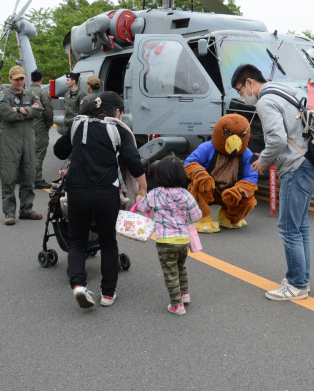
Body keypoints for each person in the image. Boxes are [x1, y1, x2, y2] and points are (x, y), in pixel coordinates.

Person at [230, 64, 314, 301]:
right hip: (309, 162)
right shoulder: (283, 91)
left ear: (249, 82)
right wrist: (269, 155)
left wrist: (263, 162)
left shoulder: (265, 101)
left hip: (295, 167)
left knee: (289, 228)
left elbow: (278, 139)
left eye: (240, 90)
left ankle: (296, 285)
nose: (242, 96)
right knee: (300, 226)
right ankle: (302, 279)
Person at [53, 92, 147, 309]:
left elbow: (59, 151)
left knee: (77, 242)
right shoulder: (118, 129)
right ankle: (107, 294)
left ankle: (79, 285)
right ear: (117, 112)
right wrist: (143, 187)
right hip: (106, 193)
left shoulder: (78, 125)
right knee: (108, 242)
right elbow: (133, 160)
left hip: (77, 192)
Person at [135, 156, 202, 315]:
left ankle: (177, 305)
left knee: (170, 272)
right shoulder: (186, 194)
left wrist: (140, 198)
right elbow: (197, 215)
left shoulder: (155, 193)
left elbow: (141, 207)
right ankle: (184, 294)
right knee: (180, 267)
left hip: (165, 241)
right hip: (183, 240)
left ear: (159, 175)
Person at [0, 65, 44, 225]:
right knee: (9, 177)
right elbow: (7, 114)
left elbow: (40, 110)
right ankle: (9, 212)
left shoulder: (31, 94)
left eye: (22, 79)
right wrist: (28, 111)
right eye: (16, 79)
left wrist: (20, 110)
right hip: (10, 142)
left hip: (28, 141)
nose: (19, 82)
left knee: (28, 176)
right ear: (10, 79)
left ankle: (26, 209)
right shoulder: (3, 96)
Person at [27, 69, 54, 189]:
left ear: (31, 79)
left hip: (26, 126)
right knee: (39, 152)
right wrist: (49, 123)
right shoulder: (43, 93)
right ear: (41, 79)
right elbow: (48, 110)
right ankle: (36, 179)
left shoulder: (24, 92)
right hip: (39, 126)